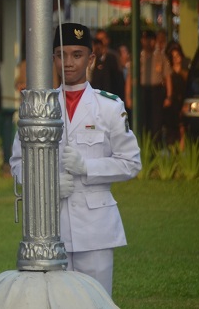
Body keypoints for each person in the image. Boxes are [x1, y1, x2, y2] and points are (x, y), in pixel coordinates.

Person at [10, 23, 141, 296]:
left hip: (95, 228)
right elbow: (17, 163)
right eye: (61, 54)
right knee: (54, 301)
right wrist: (45, 184)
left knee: (96, 299)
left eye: (77, 54)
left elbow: (131, 162)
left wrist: (87, 167)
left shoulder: (108, 106)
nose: (68, 62)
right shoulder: (38, 104)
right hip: (48, 228)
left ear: (90, 59)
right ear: (53, 58)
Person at [165, 46, 188, 147]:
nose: (176, 58)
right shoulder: (169, 72)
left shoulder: (186, 72)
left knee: (182, 127)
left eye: (177, 56)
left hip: (183, 100)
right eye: (173, 56)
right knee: (172, 127)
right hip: (173, 102)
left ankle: (182, 148)